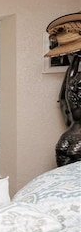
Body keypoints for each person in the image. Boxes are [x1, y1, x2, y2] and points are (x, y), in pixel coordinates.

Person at [45, 12, 81, 166]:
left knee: (74, 157)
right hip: (71, 129)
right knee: (60, 151)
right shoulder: (71, 84)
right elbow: (66, 90)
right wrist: (74, 60)